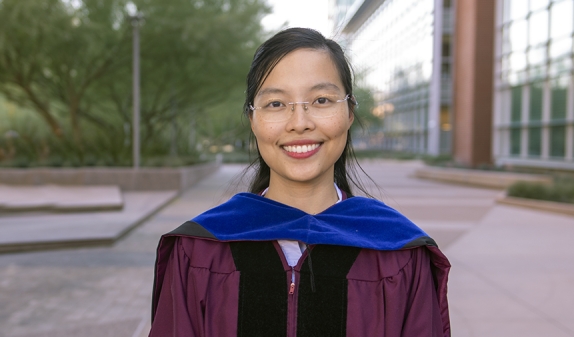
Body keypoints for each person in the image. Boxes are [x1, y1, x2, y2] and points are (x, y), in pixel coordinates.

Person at [149, 28, 451, 337]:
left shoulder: (399, 252)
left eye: (321, 100)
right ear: (253, 121)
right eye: (276, 104)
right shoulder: (200, 249)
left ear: (349, 113)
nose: (300, 123)